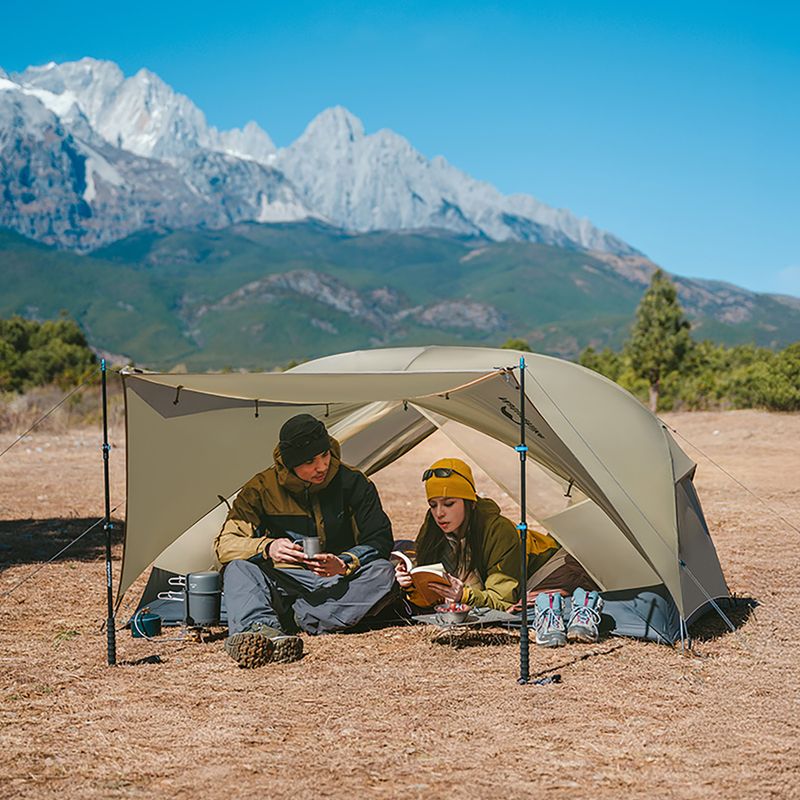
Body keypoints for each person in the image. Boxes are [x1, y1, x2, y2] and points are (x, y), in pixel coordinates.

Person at [215, 413, 396, 668]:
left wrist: (345, 562)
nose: (322, 466)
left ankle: (297, 618)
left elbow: (379, 538)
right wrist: (267, 547)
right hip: (284, 581)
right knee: (237, 569)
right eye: (310, 461)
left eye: (325, 455)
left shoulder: (353, 482)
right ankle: (260, 630)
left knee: (383, 573)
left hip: (337, 583)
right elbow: (225, 544)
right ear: (290, 464)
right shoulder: (261, 488)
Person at [395, 457, 603, 646]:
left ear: (469, 502)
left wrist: (465, 594)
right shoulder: (433, 529)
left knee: (524, 605)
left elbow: (502, 600)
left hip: (549, 567)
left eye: (449, 504)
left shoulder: (498, 530)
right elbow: (435, 596)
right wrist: (411, 585)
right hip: (508, 585)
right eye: (433, 505)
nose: (439, 513)